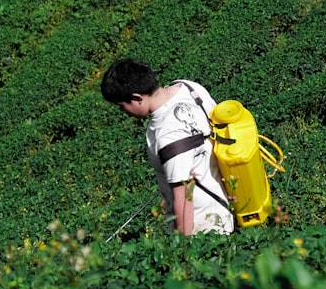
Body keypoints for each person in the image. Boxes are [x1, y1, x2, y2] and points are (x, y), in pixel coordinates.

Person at [101, 59, 235, 235]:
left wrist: (182, 250)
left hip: (207, 228)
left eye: (122, 106)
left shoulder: (168, 134)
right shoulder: (188, 88)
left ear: (136, 98)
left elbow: (184, 197)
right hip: (228, 202)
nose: (123, 112)